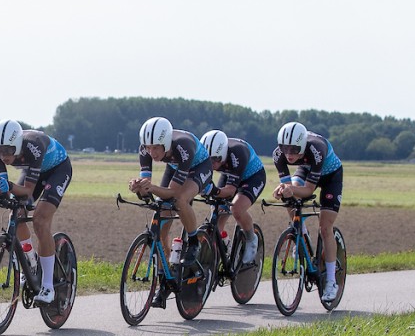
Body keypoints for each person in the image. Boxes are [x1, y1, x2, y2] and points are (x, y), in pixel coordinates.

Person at [0, 119, 72, 305]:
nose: (2, 155)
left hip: (57, 170)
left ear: (16, 144)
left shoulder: (34, 146)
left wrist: (10, 186)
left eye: (7, 150)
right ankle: (30, 259)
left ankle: (48, 286)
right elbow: (6, 188)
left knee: (40, 220)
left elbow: (28, 191)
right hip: (33, 170)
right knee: (17, 213)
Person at [128, 117, 212, 307]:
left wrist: (151, 188)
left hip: (199, 167)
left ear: (165, 143)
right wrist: (138, 187)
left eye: (156, 148)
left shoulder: (183, 146)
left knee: (180, 200)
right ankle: (166, 280)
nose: (152, 152)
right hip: (174, 167)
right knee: (160, 226)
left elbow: (173, 192)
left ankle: (193, 241)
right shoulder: (146, 150)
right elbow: (147, 189)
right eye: (148, 148)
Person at [272, 121, 344, 303]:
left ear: (302, 145)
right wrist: (282, 190)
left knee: (325, 228)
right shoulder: (278, 155)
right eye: (284, 149)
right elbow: (289, 186)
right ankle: (301, 233)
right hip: (305, 170)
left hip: (330, 176)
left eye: (294, 150)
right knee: (288, 196)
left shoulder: (317, 149)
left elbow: (308, 191)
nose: (288, 155)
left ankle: (331, 282)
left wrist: (290, 189)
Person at [199, 129, 267, 265]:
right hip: (229, 173)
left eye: (215, 160)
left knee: (237, 209)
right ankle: (220, 249)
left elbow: (229, 191)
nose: (212, 165)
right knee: (217, 215)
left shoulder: (238, 152)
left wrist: (213, 190)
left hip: (252, 177)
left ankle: (251, 238)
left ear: (223, 154)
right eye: (208, 161)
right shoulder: (212, 156)